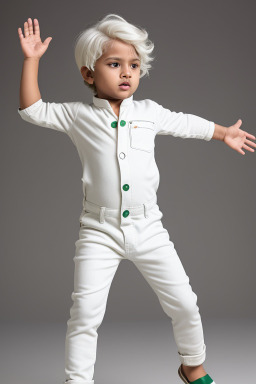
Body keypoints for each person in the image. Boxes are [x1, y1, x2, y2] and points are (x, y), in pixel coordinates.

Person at [17, 14, 255, 384]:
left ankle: (192, 366)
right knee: (85, 314)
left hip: (149, 227)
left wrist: (224, 133)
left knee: (185, 303)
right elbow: (32, 110)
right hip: (99, 230)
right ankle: (77, 380)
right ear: (88, 74)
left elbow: (185, 123)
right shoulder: (77, 116)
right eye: (114, 64)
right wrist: (32, 60)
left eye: (134, 66)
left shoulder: (149, 112)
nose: (126, 73)